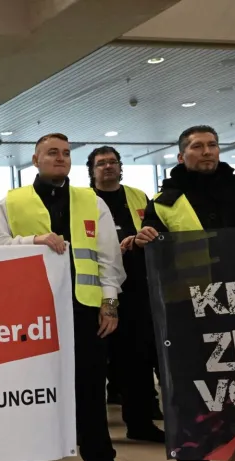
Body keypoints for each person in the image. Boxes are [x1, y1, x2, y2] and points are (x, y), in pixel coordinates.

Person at [0, 133, 146, 461]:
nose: (60, 158)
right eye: (52, 153)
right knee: (35, 390)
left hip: (85, 308)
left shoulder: (90, 200)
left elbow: (109, 257)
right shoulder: (13, 201)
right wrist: (32, 241)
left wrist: (110, 303)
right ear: (35, 160)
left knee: (92, 389)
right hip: (32, 311)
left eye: (65, 153)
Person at [135, 125, 235, 461]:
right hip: (191, 309)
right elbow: (150, 243)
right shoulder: (164, 202)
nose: (207, 151)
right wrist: (144, 237)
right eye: (197, 146)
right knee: (191, 385)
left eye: (212, 145)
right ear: (182, 156)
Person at [87, 146, 165, 443]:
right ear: (92, 171)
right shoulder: (84, 201)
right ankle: (90, 430)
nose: (108, 167)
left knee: (138, 358)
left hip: (136, 287)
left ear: (121, 167)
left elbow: (153, 228)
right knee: (97, 362)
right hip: (96, 289)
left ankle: (141, 422)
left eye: (113, 162)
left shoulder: (138, 196)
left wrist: (143, 237)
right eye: (101, 163)